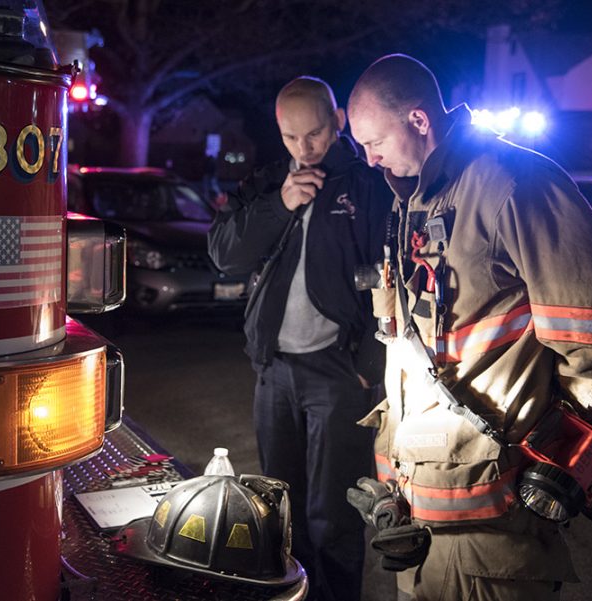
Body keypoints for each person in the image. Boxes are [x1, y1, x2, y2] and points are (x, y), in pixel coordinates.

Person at [344, 54, 592, 600]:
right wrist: (396, 483)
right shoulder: (417, 198)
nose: (369, 160)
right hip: (420, 523)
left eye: (374, 142)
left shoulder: (513, 182)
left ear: (418, 120)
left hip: (496, 531)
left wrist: (562, 438)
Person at [208, 76, 393, 601]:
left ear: (337, 123)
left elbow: (391, 277)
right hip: (275, 369)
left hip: (339, 372)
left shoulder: (366, 184)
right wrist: (280, 204)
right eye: (292, 138)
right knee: (277, 506)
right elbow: (224, 254)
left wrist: (367, 365)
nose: (304, 148)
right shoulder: (267, 183)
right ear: (279, 131)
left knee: (333, 515)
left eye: (314, 134)